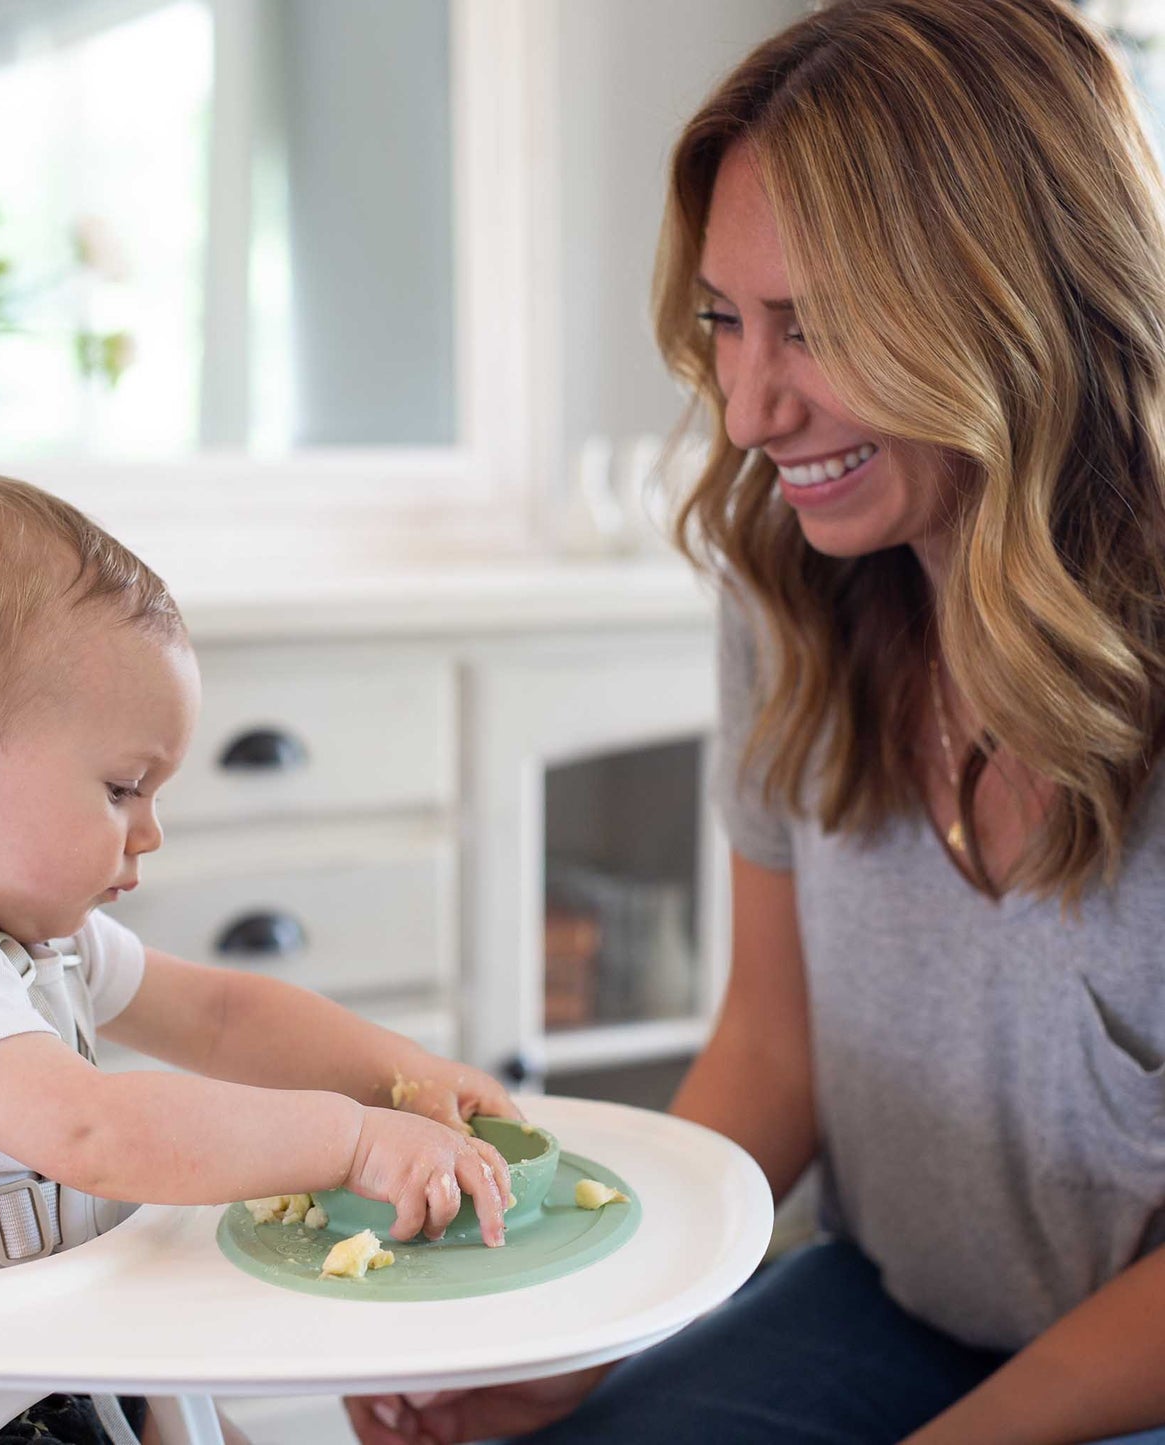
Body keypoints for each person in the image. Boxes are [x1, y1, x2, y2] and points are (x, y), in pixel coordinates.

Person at [348, 0, 1165, 1441]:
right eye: (727, 322)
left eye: (818, 325)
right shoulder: (792, 590)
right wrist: (578, 1333)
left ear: (1014, 299)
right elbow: (775, 1054)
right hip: (887, 1302)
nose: (745, 408)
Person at [0, 476, 516, 1445]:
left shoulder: (25, 936)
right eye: (122, 787)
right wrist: (348, 1140)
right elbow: (89, 1130)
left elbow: (222, 1015)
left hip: (5, 1363)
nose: (149, 831)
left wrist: (403, 1076)